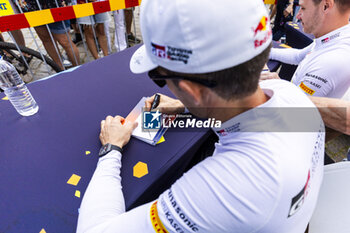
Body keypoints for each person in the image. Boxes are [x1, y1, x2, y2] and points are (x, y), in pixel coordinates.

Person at [77, 0, 325, 232]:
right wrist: (183, 106)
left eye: (160, 79)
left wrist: (111, 149)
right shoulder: (291, 94)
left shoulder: (229, 186)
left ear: (191, 90)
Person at [264, 0, 350, 98]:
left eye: (303, 8)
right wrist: (264, 53)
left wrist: (276, 84)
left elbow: (295, 108)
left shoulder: (331, 60)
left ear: (325, 6)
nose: (298, 16)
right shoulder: (332, 37)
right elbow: (298, 56)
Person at [18, 0, 80, 70]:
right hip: (33, 9)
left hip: (54, 6)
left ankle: (78, 70)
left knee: (65, 41)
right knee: (46, 40)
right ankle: (60, 69)